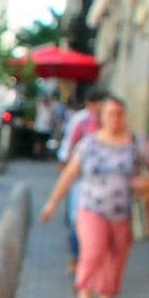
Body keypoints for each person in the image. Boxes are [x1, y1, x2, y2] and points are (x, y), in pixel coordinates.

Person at [39, 94, 149, 298]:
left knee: (115, 260)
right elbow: (70, 174)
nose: (115, 118)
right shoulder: (89, 143)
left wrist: (148, 183)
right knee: (92, 252)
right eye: (110, 113)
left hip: (124, 212)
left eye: (119, 113)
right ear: (102, 117)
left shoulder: (136, 141)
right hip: (91, 207)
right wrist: (52, 203)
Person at [55, 88, 105, 271]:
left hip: (101, 184)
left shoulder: (110, 123)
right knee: (75, 218)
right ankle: (77, 256)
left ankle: (90, 257)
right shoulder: (81, 121)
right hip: (80, 178)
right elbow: (69, 145)